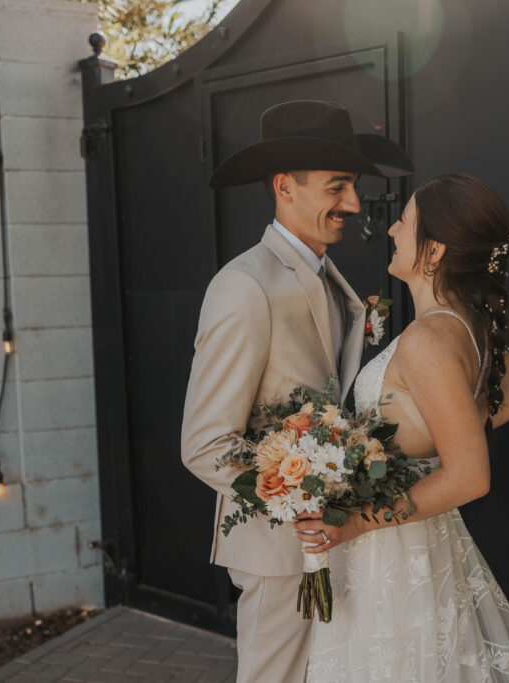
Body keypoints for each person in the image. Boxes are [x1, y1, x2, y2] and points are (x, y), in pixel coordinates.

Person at [181, 100, 412, 683]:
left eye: (354, 187)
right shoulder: (243, 286)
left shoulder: (329, 276)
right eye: (339, 187)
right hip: (277, 552)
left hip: (336, 539)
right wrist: (297, 499)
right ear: (285, 186)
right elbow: (206, 443)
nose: (354, 205)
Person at [295, 172, 509, 682]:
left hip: (391, 546)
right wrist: (433, 440)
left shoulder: (430, 339)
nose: (391, 229)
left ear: (433, 251)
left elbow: (469, 478)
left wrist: (350, 522)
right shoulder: (467, 321)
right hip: (413, 533)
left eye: (405, 221)